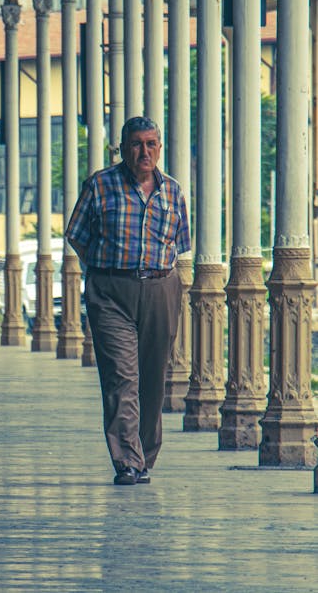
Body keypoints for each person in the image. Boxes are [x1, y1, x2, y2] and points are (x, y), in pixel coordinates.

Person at [66, 116, 191, 485]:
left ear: (160, 148)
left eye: (151, 144)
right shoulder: (100, 186)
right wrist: (105, 269)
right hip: (111, 292)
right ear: (123, 148)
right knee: (121, 378)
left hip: (159, 289)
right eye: (136, 144)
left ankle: (145, 453)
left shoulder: (172, 192)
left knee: (153, 378)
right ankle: (128, 461)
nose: (144, 151)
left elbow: (180, 244)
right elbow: (77, 234)